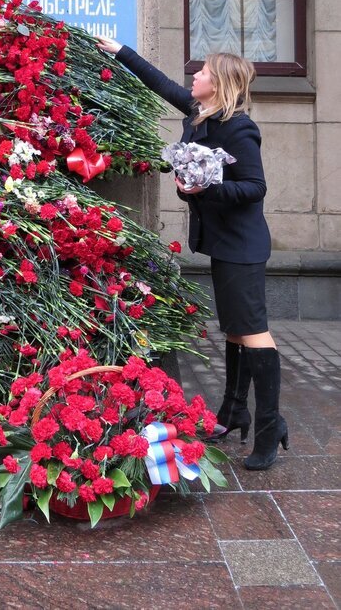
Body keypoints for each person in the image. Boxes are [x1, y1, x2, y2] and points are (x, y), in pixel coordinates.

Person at [96, 36, 289, 471]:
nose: (194, 76)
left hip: (242, 246)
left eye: (202, 72)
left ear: (218, 84)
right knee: (235, 330)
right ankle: (234, 410)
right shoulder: (201, 114)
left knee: (253, 330)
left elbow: (256, 188)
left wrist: (208, 187)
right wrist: (120, 51)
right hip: (224, 243)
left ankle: (269, 427)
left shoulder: (239, 127)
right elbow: (161, 84)